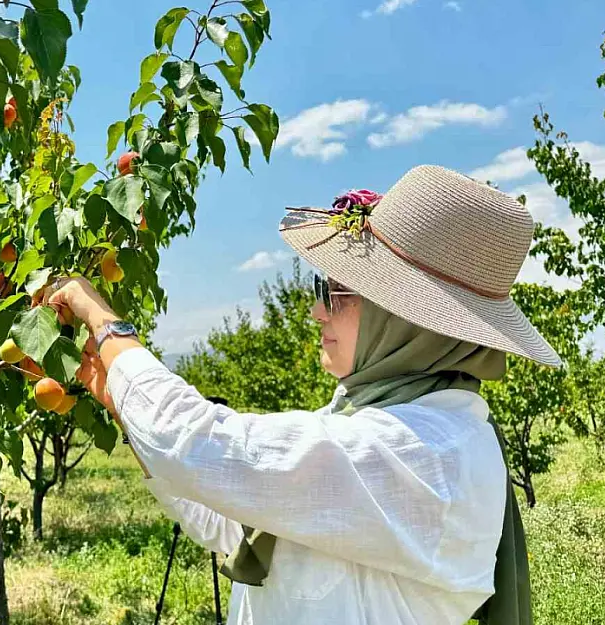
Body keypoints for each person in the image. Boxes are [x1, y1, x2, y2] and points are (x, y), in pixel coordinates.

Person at [37, 165, 557, 625]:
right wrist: (121, 405)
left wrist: (106, 326)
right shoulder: (372, 423)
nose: (317, 312)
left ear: (404, 319)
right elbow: (229, 520)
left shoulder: (428, 453)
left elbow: (199, 445)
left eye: (335, 293)